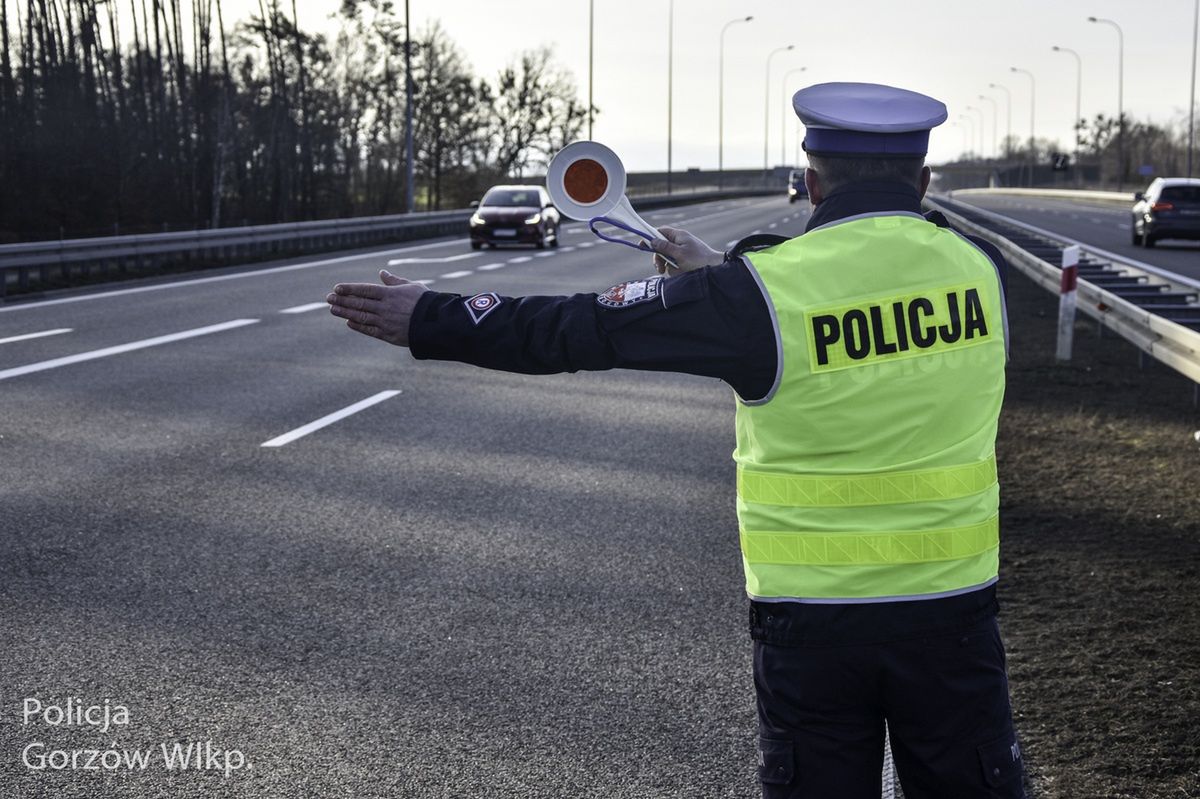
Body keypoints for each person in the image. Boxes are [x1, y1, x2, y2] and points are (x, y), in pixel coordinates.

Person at [326, 82, 1025, 799]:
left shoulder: (755, 295)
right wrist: (727, 272)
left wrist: (431, 315)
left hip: (812, 628)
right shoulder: (982, 272)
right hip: (955, 618)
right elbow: (868, 298)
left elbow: (581, 327)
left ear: (812, 183)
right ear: (924, 180)